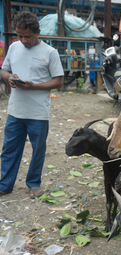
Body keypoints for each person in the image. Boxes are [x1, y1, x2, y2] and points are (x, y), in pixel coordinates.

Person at [0, 11, 64, 198]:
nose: (23, 40)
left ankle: (34, 183)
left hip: (38, 113)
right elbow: (4, 71)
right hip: (15, 110)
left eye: (27, 36)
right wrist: (9, 77)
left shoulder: (50, 53)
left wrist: (34, 86)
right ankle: (4, 184)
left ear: (38, 32)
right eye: (19, 36)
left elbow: (59, 81)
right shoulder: (14, 47)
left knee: (38, 150)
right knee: (9, 149)